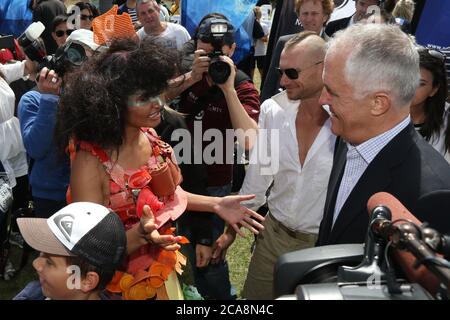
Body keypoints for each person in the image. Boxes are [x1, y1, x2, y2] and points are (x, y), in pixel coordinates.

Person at [55, 38, 264, 300]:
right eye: (144, 97)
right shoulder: (90, 162)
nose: (157, 102)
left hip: (157, 276)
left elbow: (170, 198)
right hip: (112, 286)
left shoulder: (151, 137)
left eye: (156, 91)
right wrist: (138, 236)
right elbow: (91, 247)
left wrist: (217, 204)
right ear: (112, 104)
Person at [214, 32, 335, 300]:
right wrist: (231, 232)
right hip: (273, 237)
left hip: (324, 246)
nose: (282, 81)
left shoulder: (346, 120)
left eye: (292, 73)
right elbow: (260, 174)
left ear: (324, 67)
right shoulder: (273, 110)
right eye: (281, 71)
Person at [316, 24, 450, 246]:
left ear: (378, 103)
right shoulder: (348, 134)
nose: (322, 100)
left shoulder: (435, 195)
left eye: (332, 91)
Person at [166, 16, 261, 299]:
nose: (213, 60)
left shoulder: (242, 87)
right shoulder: (189, 77)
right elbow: (151, 103)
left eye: (219, 53)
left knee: (209, 253)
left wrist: (228, 88)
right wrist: (192, 77)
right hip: (176, 176)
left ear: (232, 50)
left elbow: (250, 141)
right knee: (176, 244)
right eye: (205, 53)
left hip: (213, 180)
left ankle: (220, 298)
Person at [18, 29, 100, 219]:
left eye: (91, 60)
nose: (82, 65)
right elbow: (35, 148)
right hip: (50, 194)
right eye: (79, 57)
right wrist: (49, 99)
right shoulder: (33, 100)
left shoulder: (92, 96)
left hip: (89, 187)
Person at [14, 202, 127, 300]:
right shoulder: (32, 294)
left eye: (49, 262)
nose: (35, 263)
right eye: (41, 253)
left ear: (87, 281)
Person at [261, 0, 334, 102]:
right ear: (298, 16)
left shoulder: (332, 48)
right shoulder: (284, 43)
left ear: (325, 16)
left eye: (314, 13)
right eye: (305, 13)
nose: (308, 19)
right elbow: (270, 84)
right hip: (283, 106)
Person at [410, 48, 450, 163]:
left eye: (420, 84)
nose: (410, 88)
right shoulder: (381, 110)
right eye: (408, 79)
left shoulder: (447, 119)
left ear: (434, 89)